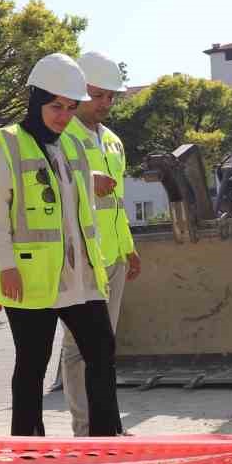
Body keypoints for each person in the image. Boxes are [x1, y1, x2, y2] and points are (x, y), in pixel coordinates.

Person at [0, 53, 123, 437]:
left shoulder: (73, 148)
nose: (63, 115)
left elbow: (83, 214)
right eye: (55, 106)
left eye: (70, 107)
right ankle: (28, 450)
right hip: (31, 277)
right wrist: (6, 266)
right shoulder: (8, 143)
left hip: (81, 278)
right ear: (36, 101)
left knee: (101, 353)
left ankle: (106, 438)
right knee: (32, 364)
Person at [49, 50, 141, 435]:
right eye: (97, 94)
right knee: (78, 349)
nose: (105, 103)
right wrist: (88, 183)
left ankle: (107, 423)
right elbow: (49, 187)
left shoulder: (114, 142)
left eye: (110, 96)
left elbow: (116, 204)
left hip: (113, 256)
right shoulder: (58, 136)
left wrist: (129, 247)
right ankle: (86, 429)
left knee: (104, 347)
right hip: (80, 258)